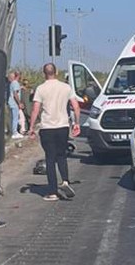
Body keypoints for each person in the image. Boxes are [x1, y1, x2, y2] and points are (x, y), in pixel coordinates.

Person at [28, 62, 82, 201]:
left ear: (43, 73)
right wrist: (76, 123)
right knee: (61, 155)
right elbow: (76, 107)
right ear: (56, 72)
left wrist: (31, 127)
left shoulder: (40, 89)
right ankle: (65, 181)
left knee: (50, 159)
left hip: (47, 128)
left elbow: (35, 109)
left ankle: (52, 191)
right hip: (62, 127)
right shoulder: (66, 87)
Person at [7, 71, 25, 141]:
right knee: (15, 118)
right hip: (14, 103)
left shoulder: (12, 83)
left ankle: (13, 131)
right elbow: (15, 94)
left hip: (11, 102)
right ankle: (15, 133)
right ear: (18, 76)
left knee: (13, 118)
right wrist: (19, 103)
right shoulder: (16, 83)